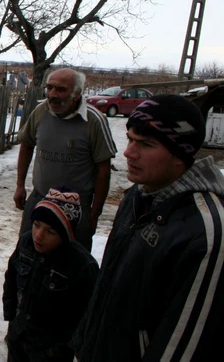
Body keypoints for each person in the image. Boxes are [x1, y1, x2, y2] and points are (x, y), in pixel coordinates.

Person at [71, 94, 224, 361]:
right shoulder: (137, 196)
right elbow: (107, 285)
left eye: (146, 144)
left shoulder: (207, 232)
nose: (129, 152)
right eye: (130, 138)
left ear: (181, 154)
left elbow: (181, 346)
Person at [14, 68, 117, 251]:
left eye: (61, 90)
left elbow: (103, 169)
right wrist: (20, 185)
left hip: (75, 208)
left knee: (70, 267)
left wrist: (94, 214)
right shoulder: (40, 111)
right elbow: (26, 145)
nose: (52, 95)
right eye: (50, 88)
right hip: (40, 199)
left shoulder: (94, 120)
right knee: (27, 254)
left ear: (77, 94)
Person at [4, 187, 99, 362]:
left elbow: (86, 314)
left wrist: (71, 345)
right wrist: (10, 314)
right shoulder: (26, 243)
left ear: (66, 234)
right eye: (36, 225)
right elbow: (11, 278)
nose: (38, 236)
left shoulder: (83, 267)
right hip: (19, 336)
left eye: (50, 232)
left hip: (52, 350)